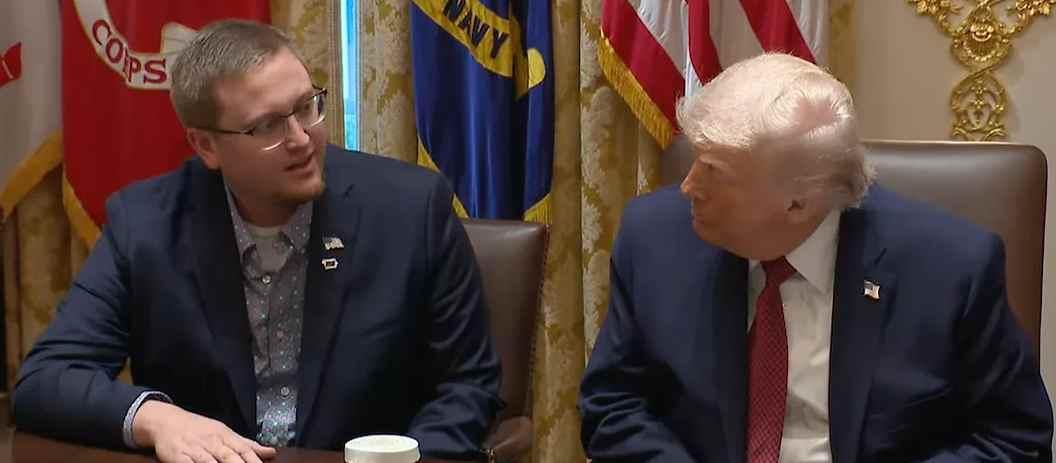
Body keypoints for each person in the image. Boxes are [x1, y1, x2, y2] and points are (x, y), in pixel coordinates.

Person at [13, 19, 502, 463]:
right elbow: (46, 380)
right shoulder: (147, 225)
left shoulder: (411, 209)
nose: (302, 138)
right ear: (206, 146)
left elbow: (467, 384)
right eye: (268, 125)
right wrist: (157, 418)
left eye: (307, 106)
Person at [579, 53, 1052, 462]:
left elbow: (1014, 436)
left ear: (798, 203)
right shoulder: (655, 238)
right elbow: (611, 404)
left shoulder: (951, 269)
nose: (689, 186)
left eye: (713, 171)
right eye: (696, 159)